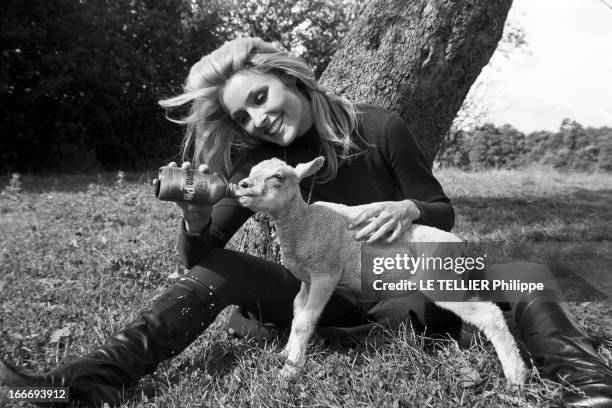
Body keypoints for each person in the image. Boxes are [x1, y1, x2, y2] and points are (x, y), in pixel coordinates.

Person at [1, 37, 611, 407]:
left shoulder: (379, 127)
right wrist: (192, 216)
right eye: (243, 116)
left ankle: (588, 382)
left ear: (289, 78)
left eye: (260, 97)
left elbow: (440, 210)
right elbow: (204, 258)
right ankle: (74, 386)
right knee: (217, 271)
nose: (257, 119)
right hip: (330, 294)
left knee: (521, 268)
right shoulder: (256, 166)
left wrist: (406, 208)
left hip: (405, 284)